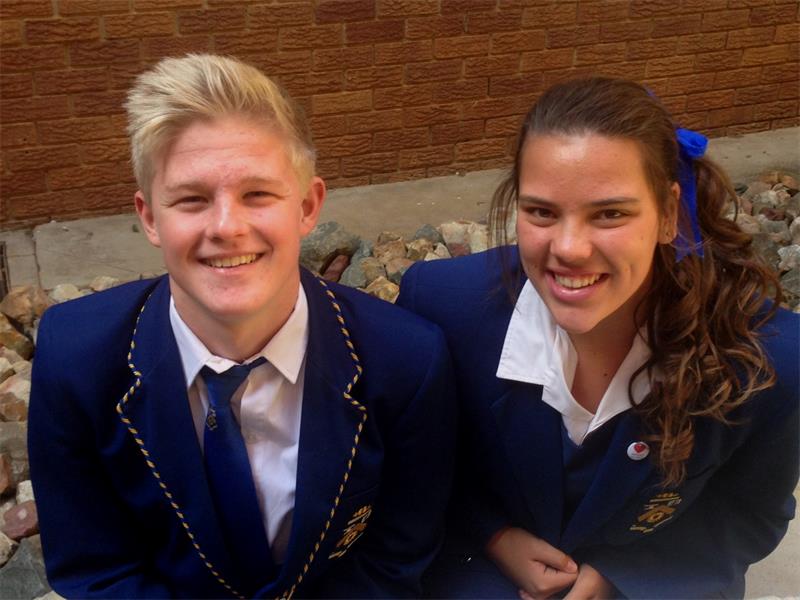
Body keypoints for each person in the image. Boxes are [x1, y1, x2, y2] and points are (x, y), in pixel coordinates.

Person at [29, 54, 456, 599]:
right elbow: (96, 568)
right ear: (150, 217)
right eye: (192, 199)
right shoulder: (75, 357)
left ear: (307, 206)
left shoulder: (406, 360)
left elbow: (395, 558)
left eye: (257, 194)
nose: (227, 227)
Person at [398, 77, 799, 598]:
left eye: (609, 213)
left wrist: (622, 579)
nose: (569, 249)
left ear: (669, 214)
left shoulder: (769, 360)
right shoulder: (442, 308)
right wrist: (492, 534)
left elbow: (747, 511)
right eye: (542, 212)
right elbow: (416, 467)